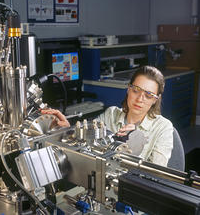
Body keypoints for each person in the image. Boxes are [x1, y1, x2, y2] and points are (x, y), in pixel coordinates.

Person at [41, 66, 173, 167]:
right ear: (128, 89)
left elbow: (157, 174)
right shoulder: (111, 114)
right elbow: (87, 142)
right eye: (136, 90)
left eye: (149, 95)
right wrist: (67, 130)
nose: (140, 99)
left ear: (155, 99)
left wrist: (134, 147)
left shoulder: (163, 127)